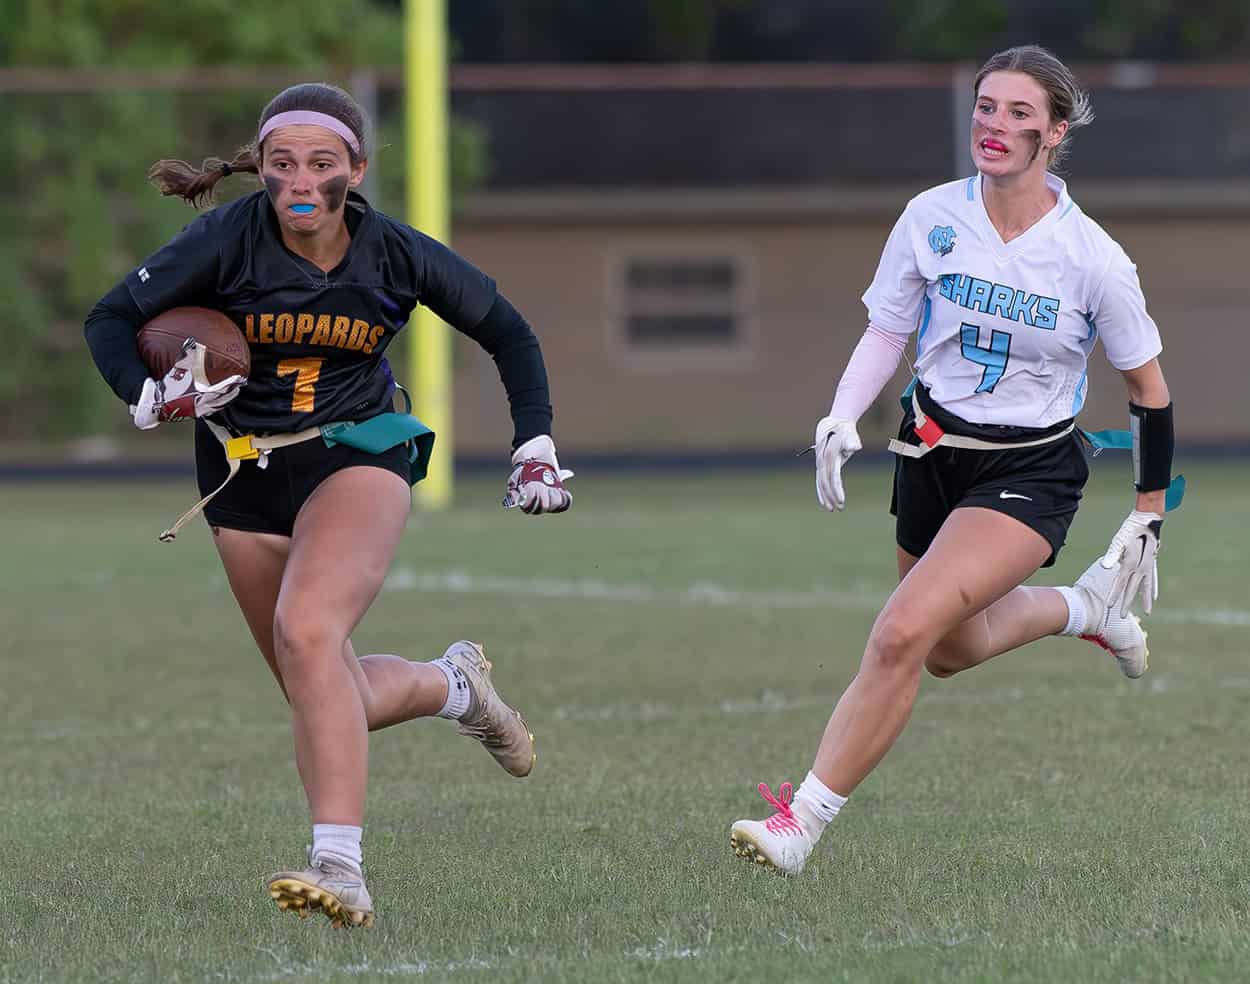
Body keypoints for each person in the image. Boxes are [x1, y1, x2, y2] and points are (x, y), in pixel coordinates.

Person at [84, 83, 574, 926]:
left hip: (359, 450)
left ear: (356, 168)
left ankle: (339, 866)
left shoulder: (393, 252)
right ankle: (454, 686)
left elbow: (511, 333)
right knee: (321, 688)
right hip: (240, 473)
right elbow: (112, 317)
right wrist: (143, 395)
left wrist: (534, 445)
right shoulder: (227, 237)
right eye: (281, 164)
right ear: (261, 171)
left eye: (320, 162)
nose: (300, 181)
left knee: (308, 635)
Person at [729, 46, 1176, 876]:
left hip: (1030, 472)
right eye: (985, 107)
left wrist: (1148, 513)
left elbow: (1149, 391)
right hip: (930, 451)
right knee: (947, 648)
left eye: (1017, 114)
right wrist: (840, 413)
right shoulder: (931, 215)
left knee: (900, 632)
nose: (995, 126)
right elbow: (888, 331)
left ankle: (803, 823)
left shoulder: (1094, 258)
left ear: (1055, 131)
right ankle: (1085, 609)